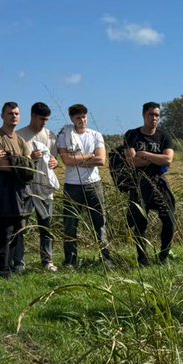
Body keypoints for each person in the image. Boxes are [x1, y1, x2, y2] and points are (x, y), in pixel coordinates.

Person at [0, 101, 35, 278]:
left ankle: (12, 265)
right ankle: (2, 269)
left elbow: (30, 167)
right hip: (2, 188)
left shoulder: (20, 140)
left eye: (17, 114)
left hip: (19, 189)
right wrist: (20, 161)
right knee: (4, 231)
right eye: (10, 113)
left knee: (18, 229)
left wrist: (13, 157)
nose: (14, 116)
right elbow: (2, 165)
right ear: (3, 116)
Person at [57, 103, 111, 268]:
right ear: (72, 118)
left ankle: (106, 259)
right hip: (72, 186)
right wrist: (90, 157)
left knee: (99, 222)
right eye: (78, 117)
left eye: (84, 116)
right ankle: (70, 261)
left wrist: (78, 158)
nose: (82, 120)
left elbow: (101, 160)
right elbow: (66, 161)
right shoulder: (65, 134)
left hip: (93, 184)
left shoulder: (96, 135)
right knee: (70, 224)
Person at [123, 101, 176, 266]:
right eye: (151, 115)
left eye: (157, 115)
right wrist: (156, 159)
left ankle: (163, 256)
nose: (154, 118)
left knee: (169, 219)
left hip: (159, 183)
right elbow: (132, 161)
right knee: (140, 222)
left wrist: (145, 154)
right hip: (139, 183)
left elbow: (168, 159)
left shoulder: (164, 136)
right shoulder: (132, 135)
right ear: (144, 115)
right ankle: (143, 258)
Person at [15, 101, 59, 272]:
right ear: (32, 115)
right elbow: (15, 163)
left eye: (47, 119)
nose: (44, 123)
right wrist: (30, 158)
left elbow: (54, 161)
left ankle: (47, 261)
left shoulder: (51, 136)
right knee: (21, 226)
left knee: (46, 226)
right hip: (25, 187)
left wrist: (55, 162)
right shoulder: (19, 135)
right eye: (41, 119)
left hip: (45, 189)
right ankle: (18, 263)